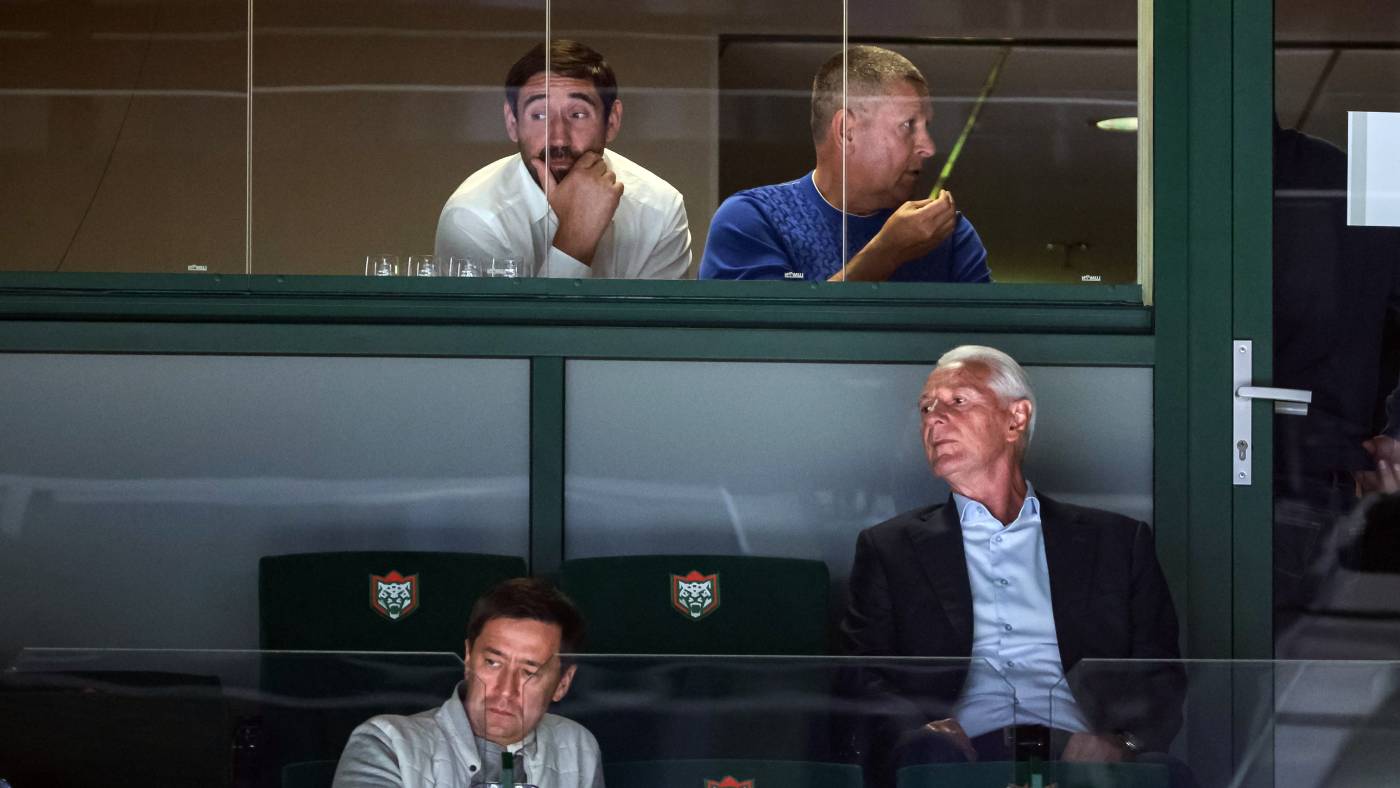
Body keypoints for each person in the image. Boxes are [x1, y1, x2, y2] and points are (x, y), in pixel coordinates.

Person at [841, 345, 1185, 784]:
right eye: (926, 407)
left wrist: (1122, 742)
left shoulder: (1116, 542)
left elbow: (1159, 671)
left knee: (1168, 777)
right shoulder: (890, 548)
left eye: (957, 401)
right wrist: (918, 733)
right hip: (956, 759)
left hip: (1083, 760)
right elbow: (860, 676)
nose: (933, 419)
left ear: (1015, 418)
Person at [699, 46, 990, 283]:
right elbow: (770, 333)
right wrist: (885, 254)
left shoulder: (947, 236)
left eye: (927, 127)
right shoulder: (757, 221)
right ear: (847, 131)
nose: (928, 147)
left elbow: (986, 336)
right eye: (908, 126)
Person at [435, 40, 691, 279]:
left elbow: (654, 316)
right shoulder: (473, 217)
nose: (558, 138)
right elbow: (504, 318)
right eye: (539, 115)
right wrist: (574, 241)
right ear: (512, 123)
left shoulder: (660, 209)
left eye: (578, 114)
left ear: (612, 121)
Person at [333, 578, 603, 787]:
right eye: (493, 662)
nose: (505, 690)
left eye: (528, 672)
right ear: (468, 658)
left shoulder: (577, 746)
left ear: (563, 683)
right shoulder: (387, 742)